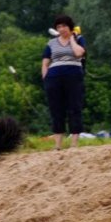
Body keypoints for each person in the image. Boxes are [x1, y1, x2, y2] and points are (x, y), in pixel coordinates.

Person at [41, 14, 86, 150]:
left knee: (74, 107)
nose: (61, 29)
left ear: (70, 27)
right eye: (59, 26)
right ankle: (58, 145)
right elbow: (45, 62)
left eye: (64, 26)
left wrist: (72, 39)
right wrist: (45, 76)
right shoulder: (51, 43)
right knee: (56, 109)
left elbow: (79, 53)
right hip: (54, 76)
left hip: (73, 74)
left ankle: (74, 143)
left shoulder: (79, 39)